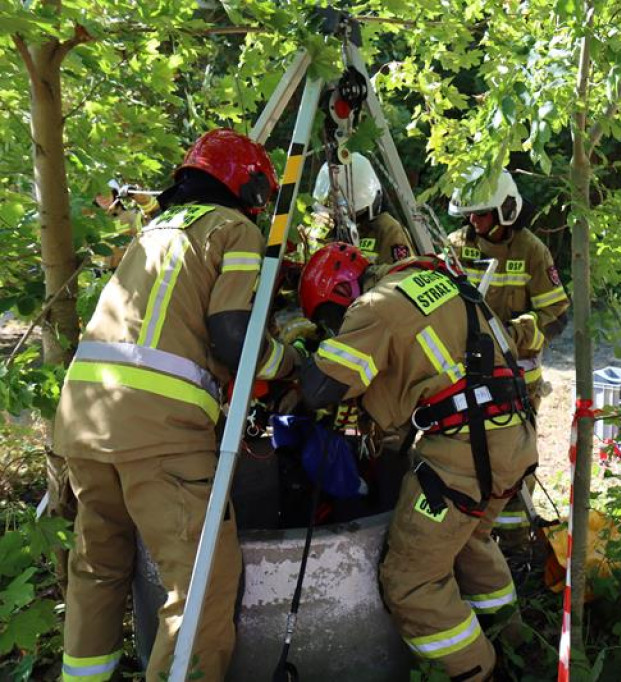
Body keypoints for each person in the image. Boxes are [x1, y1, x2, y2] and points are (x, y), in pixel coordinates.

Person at [54, 129, 298, 682]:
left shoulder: (153, 231)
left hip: (85, 421)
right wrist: (289, 361)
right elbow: (234, 338)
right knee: (201, 589)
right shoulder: (236, 229)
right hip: (160, 432)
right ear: (249, 184)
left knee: (97, 568)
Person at [298, 252, 538, 681]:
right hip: (512, 438)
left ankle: (480, 672)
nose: (341, 327)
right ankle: (518, 648)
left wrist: (300, 349)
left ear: (344, 291)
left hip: (464, 457)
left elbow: (319, 388)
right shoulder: (443, 283)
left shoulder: (375, 306)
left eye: (334, 317)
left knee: (411, 582)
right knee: (470, 542)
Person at [447, 167, 568, 539]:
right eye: (469, 213)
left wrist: (514, 334)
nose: (473, 220)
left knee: (513, 460)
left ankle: (513, 539)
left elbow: (556, 315)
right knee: (464, 454)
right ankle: (467, 532)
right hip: (463, 376)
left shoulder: (531, 249)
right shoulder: (456, 244)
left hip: (518, 382)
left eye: (481, 213)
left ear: (506, 209)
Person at [312, 152, 415, 281]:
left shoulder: (386, 228)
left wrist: (364, 277)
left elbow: (402, 276)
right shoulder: (332, 234)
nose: (339, 217)